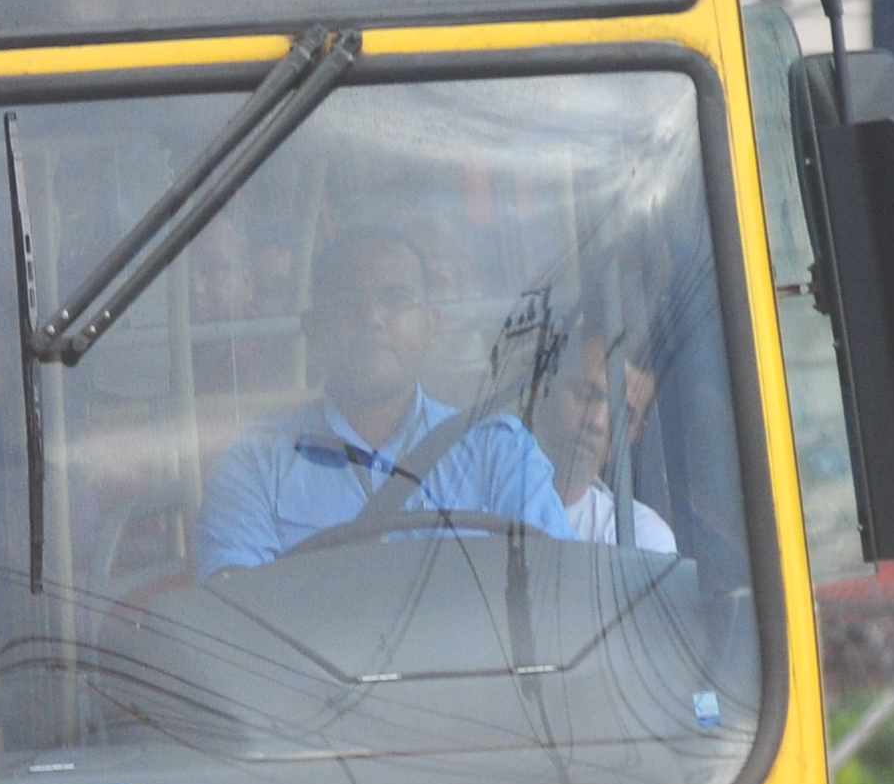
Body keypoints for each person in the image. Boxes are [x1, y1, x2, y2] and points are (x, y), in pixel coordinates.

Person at [194, 226, 571, 575]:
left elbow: (557, 585)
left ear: (431, 325)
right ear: (313, 329)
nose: (372, 317)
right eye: (348, 302)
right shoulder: (255, 464)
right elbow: (235, 606)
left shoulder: (499, 452)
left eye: (396, 299)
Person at [539, 329, 678, 553]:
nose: (597, 422)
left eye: (623, 416)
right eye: (585, 394)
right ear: (546, 389)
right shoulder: (481, 493)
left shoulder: (640, 539)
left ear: (634, 434)